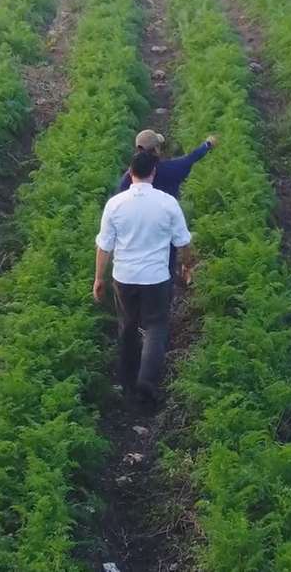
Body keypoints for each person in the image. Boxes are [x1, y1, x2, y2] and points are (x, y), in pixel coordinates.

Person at [95, 149, 194, 410]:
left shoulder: (115, 204)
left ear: (130, 173)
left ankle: (127, 381)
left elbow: (104, 246)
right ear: (153, 173)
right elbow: (183, 241)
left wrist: (98, 278)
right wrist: (186, 266)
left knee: (127, 326)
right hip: (156, 277)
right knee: (155, 329)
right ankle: (146, 386)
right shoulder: (167, 203)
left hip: (123, 277)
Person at [112, 129, 216, 277]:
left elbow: (116, 208)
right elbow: (191, 157)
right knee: (165, 275)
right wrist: (207, 144)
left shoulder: (128, 178)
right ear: (155, 149)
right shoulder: (172, 169)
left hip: (133, 243)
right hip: (164, 238)